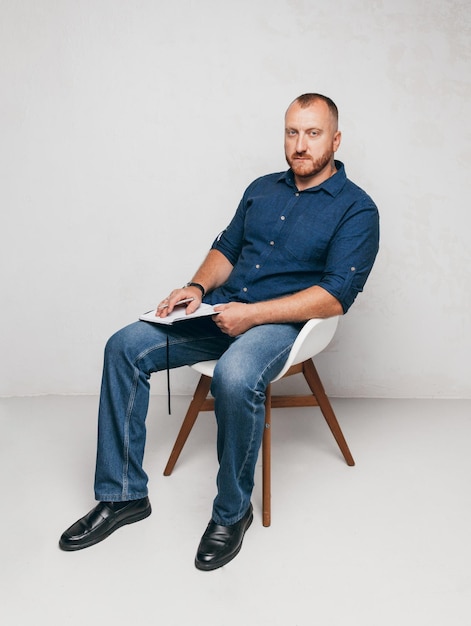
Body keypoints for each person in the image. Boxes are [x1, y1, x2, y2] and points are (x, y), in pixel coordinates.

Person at [59, 93, 379, 570]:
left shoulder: (357, 209)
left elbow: (335, 296)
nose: (300, 144)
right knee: (124, 346)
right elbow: (226, 249)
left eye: (313, 133)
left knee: (233, 376)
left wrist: (253, 317)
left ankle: (232, 513)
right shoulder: (261, 189)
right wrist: (195, 286)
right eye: (292, 132)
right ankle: (123, 494)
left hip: (284, 325)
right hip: (223, 310)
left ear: (335, 139)